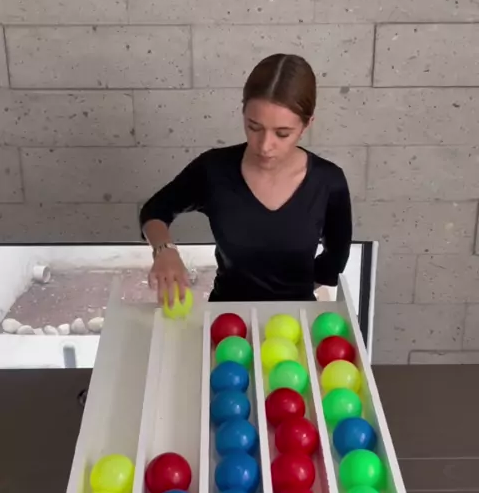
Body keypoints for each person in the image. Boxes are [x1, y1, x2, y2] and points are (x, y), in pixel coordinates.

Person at [140, 54, 352, 305]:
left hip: (295, 320)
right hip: (225, 316)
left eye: (282, 133)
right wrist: (164, 251)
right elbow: (155, 210)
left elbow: (334, 260)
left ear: (307, 125)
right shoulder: (213, 169)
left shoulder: (328, 182)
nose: (264, 146)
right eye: (254, 127)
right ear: (243, 113)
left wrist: (290, 291)